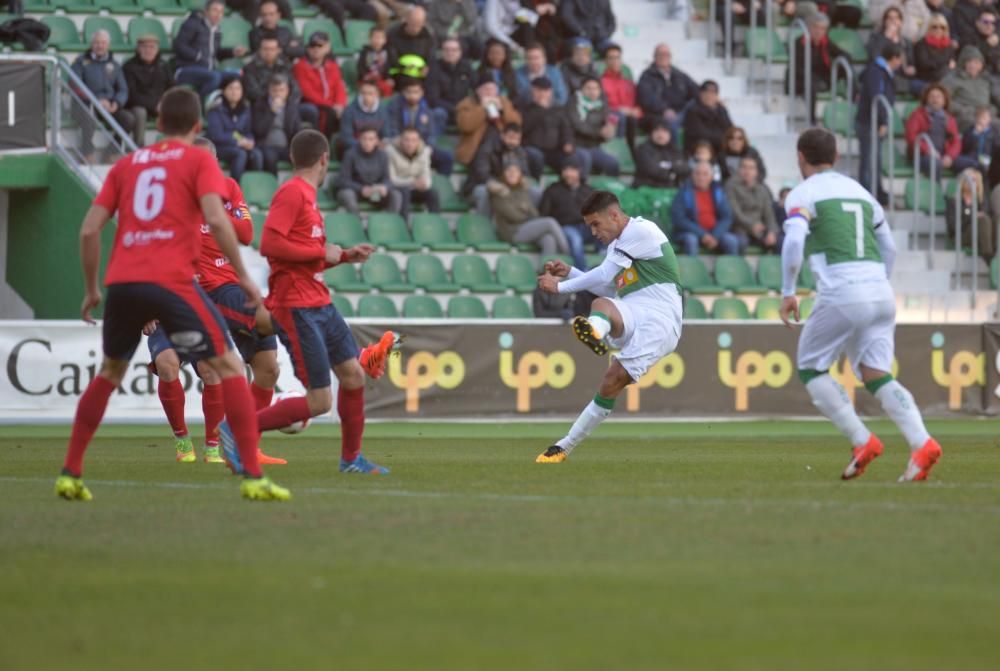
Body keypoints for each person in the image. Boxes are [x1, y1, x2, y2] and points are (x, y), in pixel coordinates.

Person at [54, 87, 289, 502]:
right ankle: (251, 474)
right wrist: (246, 278)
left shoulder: (127, 164)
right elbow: (218, 221)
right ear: (197, 126)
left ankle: (70, 472)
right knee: (230, 366)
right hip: (172, 280)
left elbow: (90, 229)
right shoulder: (198, 160)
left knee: (109, 374)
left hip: (123, 282)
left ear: (158, 124)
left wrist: (92, 288)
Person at [778, 127, 942, 483]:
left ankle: (862, 440)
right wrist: (878, 282)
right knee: (876, 373)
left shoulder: (802, 194)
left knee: (810, 368)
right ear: (835, 157)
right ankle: (922, 443)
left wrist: (788, 290)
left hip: (842, 289)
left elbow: (793, 243)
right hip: (881, 291)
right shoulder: (862, 193)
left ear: (800, 158)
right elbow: (891, 248)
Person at [240, 129, 393, 476]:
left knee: (354, 375)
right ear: (324, 159)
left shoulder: (307, 197)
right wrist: (321, 251)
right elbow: (270, 246)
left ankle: (351, 460)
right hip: (297, 305)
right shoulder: (292, 193)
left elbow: (305, 255)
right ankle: (240, 430)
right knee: (320, 401)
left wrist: (343, 257)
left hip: (319, 301)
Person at [145, 137, 283, 466]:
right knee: (167, 364)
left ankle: (214, 446)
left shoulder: (229, 189)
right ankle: (182, 442)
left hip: (221, 292)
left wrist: (214, 211)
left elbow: (247, 234)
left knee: (215, 370)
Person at [535, 191, 683, 463]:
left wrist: (560, 286)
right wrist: (570, 272)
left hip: (661, 320)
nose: (593, 232)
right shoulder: (618, 246)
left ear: (614, 215)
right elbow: (606, 284)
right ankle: (594, 331)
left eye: (595, 224)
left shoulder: (642, 231)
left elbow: (603, 274)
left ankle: (565, 445)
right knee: (603, 302)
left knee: (611, 381)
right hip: (634, 308)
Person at [71, 30, 136, 159]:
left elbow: (123, 89)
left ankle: (110, 152)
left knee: (128, 119)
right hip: (85, 104)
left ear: (108, 45)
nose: (100, 46)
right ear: (91, 44)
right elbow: (75, 85)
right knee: (88, 117)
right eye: (96, 42)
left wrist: (116, 103)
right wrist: (96, 101)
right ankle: (87, 153)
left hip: (108, 106)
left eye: (103, 43)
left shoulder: (115, 65)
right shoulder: (80, 62)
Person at [490, 163, 571, 256]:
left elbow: (534, 214)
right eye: (509, 171)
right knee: (549, 222)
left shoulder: (522, 191)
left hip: (526, 228)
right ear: (503, 174)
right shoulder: (498, 193)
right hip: (512, 233)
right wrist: (524, 210)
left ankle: (547, 269)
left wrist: (523, 209)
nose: (512, 173)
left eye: (515, 171)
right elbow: (514, 217)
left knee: (549, 239)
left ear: (520, 175)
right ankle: (568, 254)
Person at [857, 44, 904, 205]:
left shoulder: (879, 71)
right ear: (895, 58)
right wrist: (882, 120)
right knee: (869, 159)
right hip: (870, 121)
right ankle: (867, 192)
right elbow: (877, 97)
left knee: (874, 158)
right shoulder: (877, 71)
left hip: (872, 120)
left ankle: (876, 191)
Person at [174, 0, 247, 98]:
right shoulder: (192, 24)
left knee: (238, 77)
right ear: (206, 11)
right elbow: (179, 45)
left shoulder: (217, 30)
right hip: (186, 69)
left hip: (208, 70)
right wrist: (197, 56)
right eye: (215, 10)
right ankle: (198, 107)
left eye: (221, 12)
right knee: (214, 77)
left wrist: (233, 52)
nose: (218, 14)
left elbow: (215, 53)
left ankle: (221, 109)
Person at [787, 12, 846, 125]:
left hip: (820, 79)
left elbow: (843, 54)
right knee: (811, 85)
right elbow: (797, 68)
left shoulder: (826, 42)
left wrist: (843, 58)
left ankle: (854, 96)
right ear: (809, 27)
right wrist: (812, 78)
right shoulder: (799, 43)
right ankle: (811, 121)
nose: (819, 31)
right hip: (801, 81)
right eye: (816, 27)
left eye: (822, 28)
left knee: (843, 65)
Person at [539, 158, 598, 269]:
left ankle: (606, 267)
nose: (568, 173)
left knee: (605, 231)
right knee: (576, 241)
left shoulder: (589, 190)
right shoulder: (553, 189)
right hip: (565, 227)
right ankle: (583, 272)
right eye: (565, 170)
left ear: (579, 172)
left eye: (572, 170)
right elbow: (544, 214)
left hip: (586, 227)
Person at [385, 78, 453, 175]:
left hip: (420, 147)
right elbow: (392, 130)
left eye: (416, 92)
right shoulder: (394, 106)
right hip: (400, 146)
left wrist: (428, 146)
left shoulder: (426, 109)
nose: (412, 96)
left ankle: (440, 185)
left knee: (446, 158)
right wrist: (405, 143)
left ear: (421, 93)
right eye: (409, 92)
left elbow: (431, 133)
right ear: (403, 92)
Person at [670, 161, 739, 256]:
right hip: (690, 233)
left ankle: (730, 270)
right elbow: (679, 219)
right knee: (691, 240)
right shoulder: (684, 192)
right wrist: (702, 234)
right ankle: (693, 270)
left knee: (731, 241)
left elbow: (726, 217)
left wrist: (715, 235)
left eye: (705, 174)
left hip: (714, 233)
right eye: (697, 173)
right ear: (692, 175)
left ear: (711, 177)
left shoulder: (718, 192)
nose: (701, 177)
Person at [455, 76, 521, 168]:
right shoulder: (466, 104)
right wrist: (482, 108)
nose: (490, 93)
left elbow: (516, 123)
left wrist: (503, 110)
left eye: (493, 89)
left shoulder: (503, 102)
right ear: (478, 91)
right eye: (486, 89)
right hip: (476, 147)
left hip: (503, 144)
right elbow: (466, 126)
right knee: (485, 157)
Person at [207, 77, 263, 182]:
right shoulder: (216, 109)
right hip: (219, 147)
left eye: (238, 88)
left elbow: (248, 131)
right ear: (224, 90)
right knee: (240, 154)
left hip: (239, 145)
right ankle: (234, 189)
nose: (234, 92)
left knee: (257, 154)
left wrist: (249, 141)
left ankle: (253, 189)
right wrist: (237, 142)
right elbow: (215, 135)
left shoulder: (245, 108)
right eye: (231, 88)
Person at [336, 127, 404, 214]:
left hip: (375, 192)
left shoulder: (383, 155)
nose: (367, 142)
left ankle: (388, 224)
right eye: (364, 138)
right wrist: (361, 189)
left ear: (377, 141)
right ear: (359, 139)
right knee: (347, 194)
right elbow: (342, 180)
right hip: (356, 191)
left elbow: (387, 179)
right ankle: (357, 224)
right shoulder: (350, 154)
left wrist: (385, 187)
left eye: (371, 139)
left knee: (396, 195)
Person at [294, 31, 348, 138]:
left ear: (327, 48)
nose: (316, 49)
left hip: (331, 106)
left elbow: (339, 88)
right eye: (312, 45)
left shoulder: (333, 66)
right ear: (307, 48)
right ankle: (322, 145)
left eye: (320, 45)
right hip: (313, 104)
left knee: (348, 112)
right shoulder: (300, 66)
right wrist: (331, 105)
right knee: (325, 112)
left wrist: (340, 104)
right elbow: (307, 92)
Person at [468, 122, 532, 211]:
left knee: (534, 191)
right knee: (484, 192)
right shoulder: (487, 149)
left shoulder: (520, 152)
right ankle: (485, 222)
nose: (513, 142)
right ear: (502, 135)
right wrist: (498, 184)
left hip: (509, 185)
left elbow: (525, 172)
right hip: (482, 185)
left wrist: (523, 180)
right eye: (510, 137)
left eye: (517, 139)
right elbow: (482, 174)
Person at [636, 43, 699, 135]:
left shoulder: (679, 74)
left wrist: (713, 98)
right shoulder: (647, 76)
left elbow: (696, 89)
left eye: (667, 54)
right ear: (654, 56)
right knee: (669, 125)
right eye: (660, 54)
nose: (664, 57)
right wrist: (664, 109)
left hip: (681, 112)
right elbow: (647, 98)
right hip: (659, 115)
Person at [122, 34, 173, 146]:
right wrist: (155, 105)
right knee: (140, 113)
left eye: (152, 47)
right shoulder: (129, 67)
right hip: (139, 106)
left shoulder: (164, 66)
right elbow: (131, 95)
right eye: (144, 47)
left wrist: (164, 102)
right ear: (138, 49)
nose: (148, 50)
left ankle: (173, 147)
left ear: (157, 49)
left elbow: (172, 87)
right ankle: (138, 148)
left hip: (160, 106)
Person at [566, 77, 620, 177]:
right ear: (581, 89)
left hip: (594, 147)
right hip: (576, 146)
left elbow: (606, 128)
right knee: (585, 159)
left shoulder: (602, 105)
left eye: (596, 88)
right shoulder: (573, 103)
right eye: (588, 88)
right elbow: (577, 125)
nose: (592, 91)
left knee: (612, 163)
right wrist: (599, 132)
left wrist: (609, 132)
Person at [522, 77, 576, 177]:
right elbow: (524, 128)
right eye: (538, 90)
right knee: (535, 156)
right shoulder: (525, 108)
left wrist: (567, 142)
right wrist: (540, 109)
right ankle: (537, 184)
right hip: (532, 148)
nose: (542, 94)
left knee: (571, 159)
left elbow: (566, 130)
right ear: (532, 91)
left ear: (550, 92)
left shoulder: (558, 109)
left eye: (545, 91)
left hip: (554, 150)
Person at [726, 156, 781, 253]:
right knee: (741, 243)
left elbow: (769, 215)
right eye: (744, 167)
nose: (747, 171)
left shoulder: (762, 189)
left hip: (760, 230)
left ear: (756, 172)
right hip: (739, 229)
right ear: (739, 169)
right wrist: (752, 225)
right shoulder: (730, 186)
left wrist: (771, 232)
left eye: (751, 168)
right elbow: (735, 212)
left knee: (780, 241)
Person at [905, 83, 961, 178]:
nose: (935, 99)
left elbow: (956, 141)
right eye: (931, 96)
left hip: (944, 155)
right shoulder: (917, 115)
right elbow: (911, 137)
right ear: (926, 99)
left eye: (938, 97)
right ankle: (937, 192)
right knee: (935, 164)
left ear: (944, 100)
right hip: (922, 156)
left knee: (971, 164)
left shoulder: (950, 118)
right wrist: (929, 151)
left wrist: (950, 156)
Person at [867, 6, 924, 96]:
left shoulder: (905, 42)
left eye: (896, 18)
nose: (893, 21)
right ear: (884, 22)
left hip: (902, 78)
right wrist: (886, 37)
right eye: (890, 18)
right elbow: (875, 56)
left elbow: (911, 62)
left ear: (901, 22)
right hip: (882, 76)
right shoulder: (876, 38)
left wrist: (911, 68)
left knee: (923, 86)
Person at [253, 74, 302, 174]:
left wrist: (296, 148)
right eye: (275, 90)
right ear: (269, 90)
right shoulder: (260, 105)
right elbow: (258, 130)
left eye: (281, 90)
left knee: (302, 158)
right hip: (266, 145)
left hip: (286, 146)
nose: (278, 94)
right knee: (270, 158)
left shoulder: (291, 107)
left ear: (287, 91)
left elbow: (297, 130)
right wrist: (272, 112)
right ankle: (273, 187)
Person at [945, 167, 996, 262]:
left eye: (975, 180)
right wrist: (972, 217)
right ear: (963, 181)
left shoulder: (982, 201)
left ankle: (996, 254)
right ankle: (989, 257)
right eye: (971, 180)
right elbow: (952, 227)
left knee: (995, 220)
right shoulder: (954, 202)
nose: (973, 183)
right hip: (963, 234)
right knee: (983, 220)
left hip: (982, 235)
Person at [387, 126, 440, 215]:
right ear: (400, 140)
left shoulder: (425, 152)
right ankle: (403, 226)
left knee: (433, 193)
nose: (410, 144)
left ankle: (436, 224)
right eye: (406, 140)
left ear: (419, 141)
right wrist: (412, 182)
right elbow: (391, 179)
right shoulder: (390, 151)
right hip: (397, 189)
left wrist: (424, 184)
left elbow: (426, 175)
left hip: (415, 188)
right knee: (404, 192)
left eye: (414, 140)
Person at [942, 45, 997, 130]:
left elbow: (994, 101)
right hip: (964, 117)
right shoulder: (952, 78)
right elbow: (943, 99)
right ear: (963, 63)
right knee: (977, 127)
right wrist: (964, 110)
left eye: (976, 62)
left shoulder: (986, 80)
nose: (973, 65)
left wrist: (991, 111)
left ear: (981, 65)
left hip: (986, 116)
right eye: (969, 62)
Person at [426, 37, 475, 125]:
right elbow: (432, 99)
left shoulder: (467, 67)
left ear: (460, 52)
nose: (450, 53)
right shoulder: (434, 68)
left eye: (454, 50)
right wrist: (455, 108)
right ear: (441, 52)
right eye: (446, 50)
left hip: (464, 107)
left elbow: (476, 87)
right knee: (438, 113)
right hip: (443, 108)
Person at [338, 79, 392, 158]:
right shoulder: (349, 110)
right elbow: (346, 137)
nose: (366, 96)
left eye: (370, 93)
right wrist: (366, 145)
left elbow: (387, 133)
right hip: (355, 147)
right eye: (363, 93)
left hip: (378, 148)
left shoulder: (383, 110)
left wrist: (383, 143)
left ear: (377, 94)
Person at [682, 80, 734, 157]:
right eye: (706, 92)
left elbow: (730, 129)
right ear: (700, 94)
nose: (709, 96)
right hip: (699, 149)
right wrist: (724, 139)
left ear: (717, 96)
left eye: (713, 93)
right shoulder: (693, 110)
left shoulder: (721, 110)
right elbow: (701, 134)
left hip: (720, 147)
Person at [243, 35, 300, 105]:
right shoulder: (250, 68)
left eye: (272, 49)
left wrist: (287, 103)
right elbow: (253, 93)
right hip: (261, 107)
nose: (269, 52)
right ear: (259, 50)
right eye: (265, 49)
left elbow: (295, 90)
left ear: (278, 50)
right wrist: (274, 100)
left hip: (285, 105)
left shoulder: (285, 65)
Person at [633, 119, 689, 189]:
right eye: (657, 130)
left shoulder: (674, 150)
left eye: (664, 131)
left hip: (670, 189)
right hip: (648, 189)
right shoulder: (643, 149)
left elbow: (685, 167)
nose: (660, 134)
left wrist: (667, 168)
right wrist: (672, 173)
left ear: (670, 134)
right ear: (651, 133)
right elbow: (650, 170)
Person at [601, 44, 640, 142]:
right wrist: (619, 109)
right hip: (612, 115)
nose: (615, 61)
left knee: (633, 119)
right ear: (605, 61)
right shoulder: (600, 82)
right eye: (611, 58)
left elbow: (639, 102)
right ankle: (620, 149)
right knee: (620, 117)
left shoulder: (628, 83)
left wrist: (637, 110)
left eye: (617, 58)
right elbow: (601, 105)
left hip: (631, 116)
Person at [515, 43, 568, 107]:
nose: (533, 61)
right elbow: (519, 98)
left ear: (544, 59)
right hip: (528, 112)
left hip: (552, 111)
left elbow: (562, 98)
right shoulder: (518, 74)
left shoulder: (554, 73)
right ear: (525, 60)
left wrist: (546, 102)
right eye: (529, 58)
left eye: (536, 58)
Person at [387, 5, 437, 71]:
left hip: (420, 73)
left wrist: (427, 67)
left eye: (419, 23)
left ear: (424, 23)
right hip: (398, 72)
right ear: (406, 19)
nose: (415, 28)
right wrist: (402, 67)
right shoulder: (394, 33)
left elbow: (431, 57)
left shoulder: (429, 36)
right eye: (413, 23)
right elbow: (391, 56)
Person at [914, 13, 958, 83]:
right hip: (927, 78)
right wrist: (945, 63)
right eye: (934, 27)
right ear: (929, 28)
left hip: (946, 76)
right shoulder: (922, 44)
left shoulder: (949, 45)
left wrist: (941, 64)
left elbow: (953, 63)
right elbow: (924, 64)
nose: (939, 30)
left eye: (942, 27)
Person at [955, 106, 998, 173]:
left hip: (986, 158)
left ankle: (980, 167)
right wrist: (975, 134)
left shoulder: (993, 133)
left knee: (986, 164)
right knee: (958, 160)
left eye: (984, 118)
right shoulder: (970, 131)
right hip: (971, 158)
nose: (981, 120)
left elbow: (996, 148)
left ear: (989, 119)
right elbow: (965, 147)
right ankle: (977, 166)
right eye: (979, 117)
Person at [357, 25, 394, 98]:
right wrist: (364, 75)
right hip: (367, 78)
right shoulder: (365, 52)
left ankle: (384, 105)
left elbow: (388, 67)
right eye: (375, 37)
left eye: (380, 38)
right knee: (369, 89)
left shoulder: (387, 53)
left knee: (387, 87)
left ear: (385, 40)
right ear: (370, 39)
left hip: (380, 79)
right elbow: (360, 66)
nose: (377, 40)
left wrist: (388, 78)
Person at [963, 10, 1000, 76]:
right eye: (986, 22)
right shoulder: (968, 38)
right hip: (978, 76)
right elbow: (970, 59)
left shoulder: (996, 38)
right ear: (977, 23)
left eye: (992, 23)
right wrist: (987, 45)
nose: (989, 25)